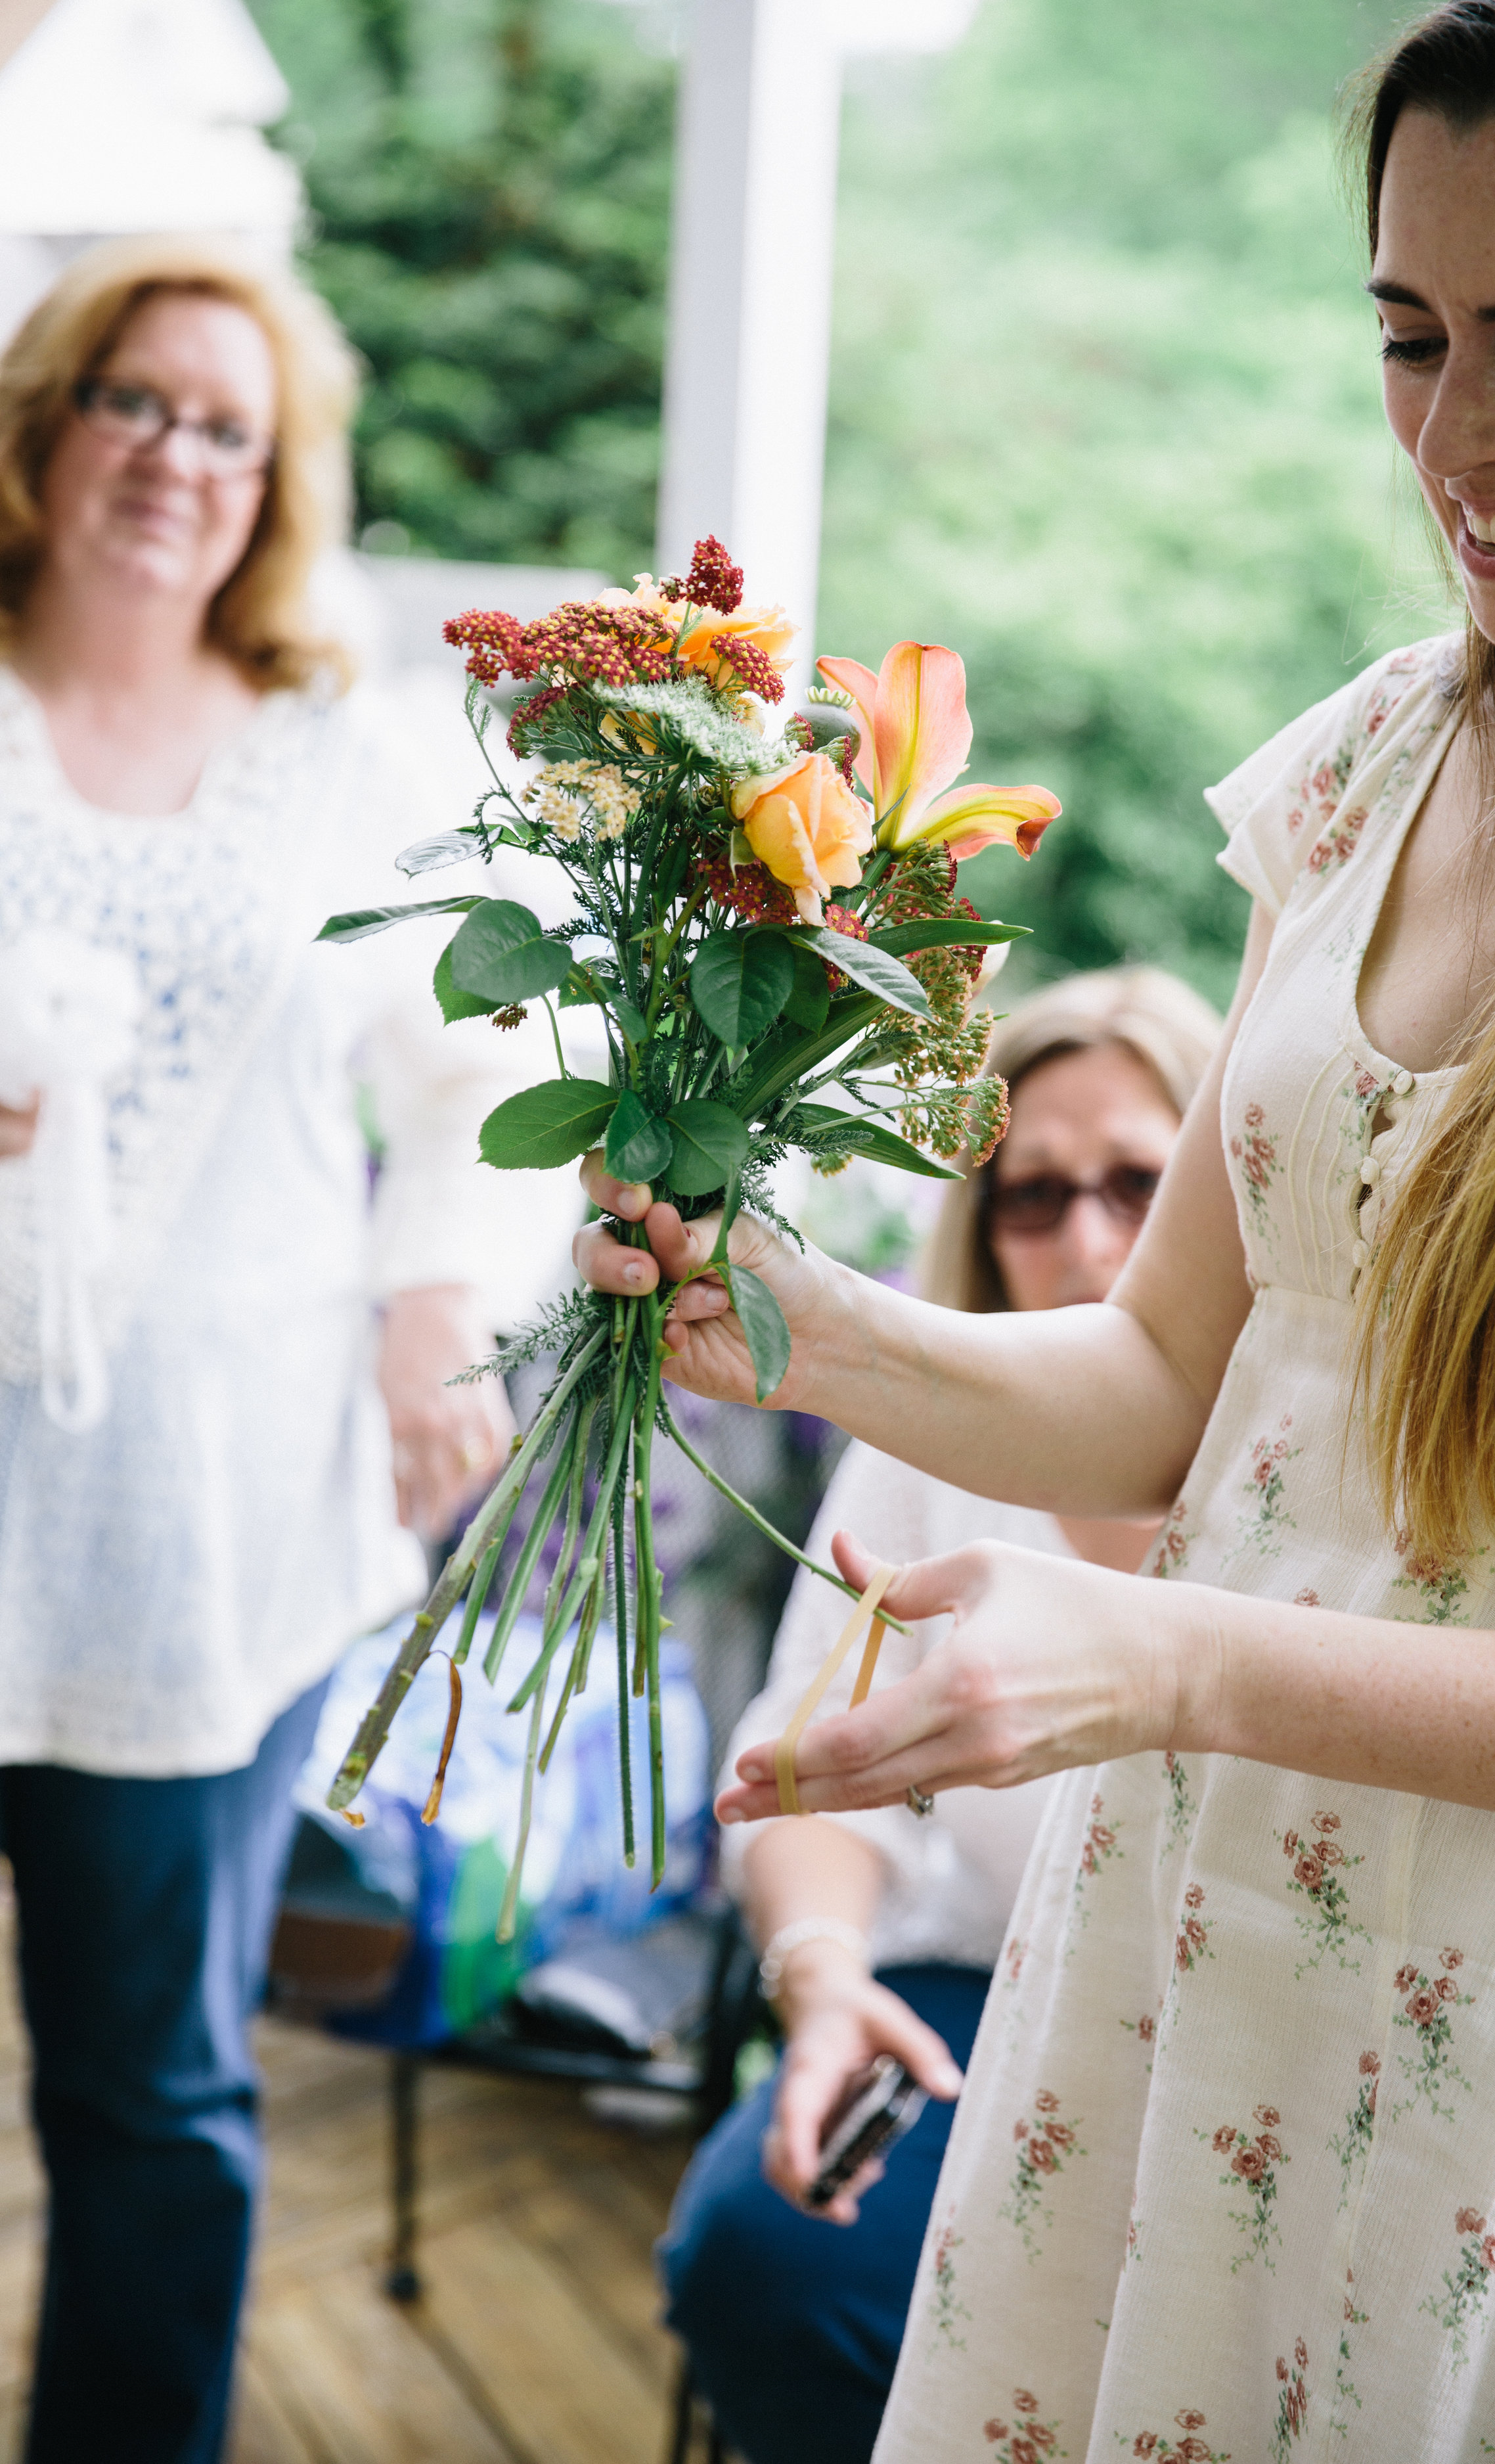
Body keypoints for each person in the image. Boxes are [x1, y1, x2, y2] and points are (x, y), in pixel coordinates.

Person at [579, 1, 1495, 2444]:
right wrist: (801, 1322)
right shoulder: (1378, 754)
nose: (1457, 438)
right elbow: (1175, 1383)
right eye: (1409, 336)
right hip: (1192, 1956)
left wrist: (1172, 1667)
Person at [0, 239, 545, 2462]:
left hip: (194, 1523)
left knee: (154, 2089)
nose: (178, 459)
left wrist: (440, 1316)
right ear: (48, 420)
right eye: (139, 400)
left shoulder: (349, 751)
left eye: (233, 426)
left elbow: (473, 1075)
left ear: (283, 477)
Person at [659, 969, 1220, 2464]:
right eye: (1030, 1197)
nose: (1086, 1240)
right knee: (758, 2260)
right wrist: (820, 1973)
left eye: (1137, 1183)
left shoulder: (1306, 1463)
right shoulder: (928, 1441)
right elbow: (800, 1766)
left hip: (1242, 2031)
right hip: (983, 1995)